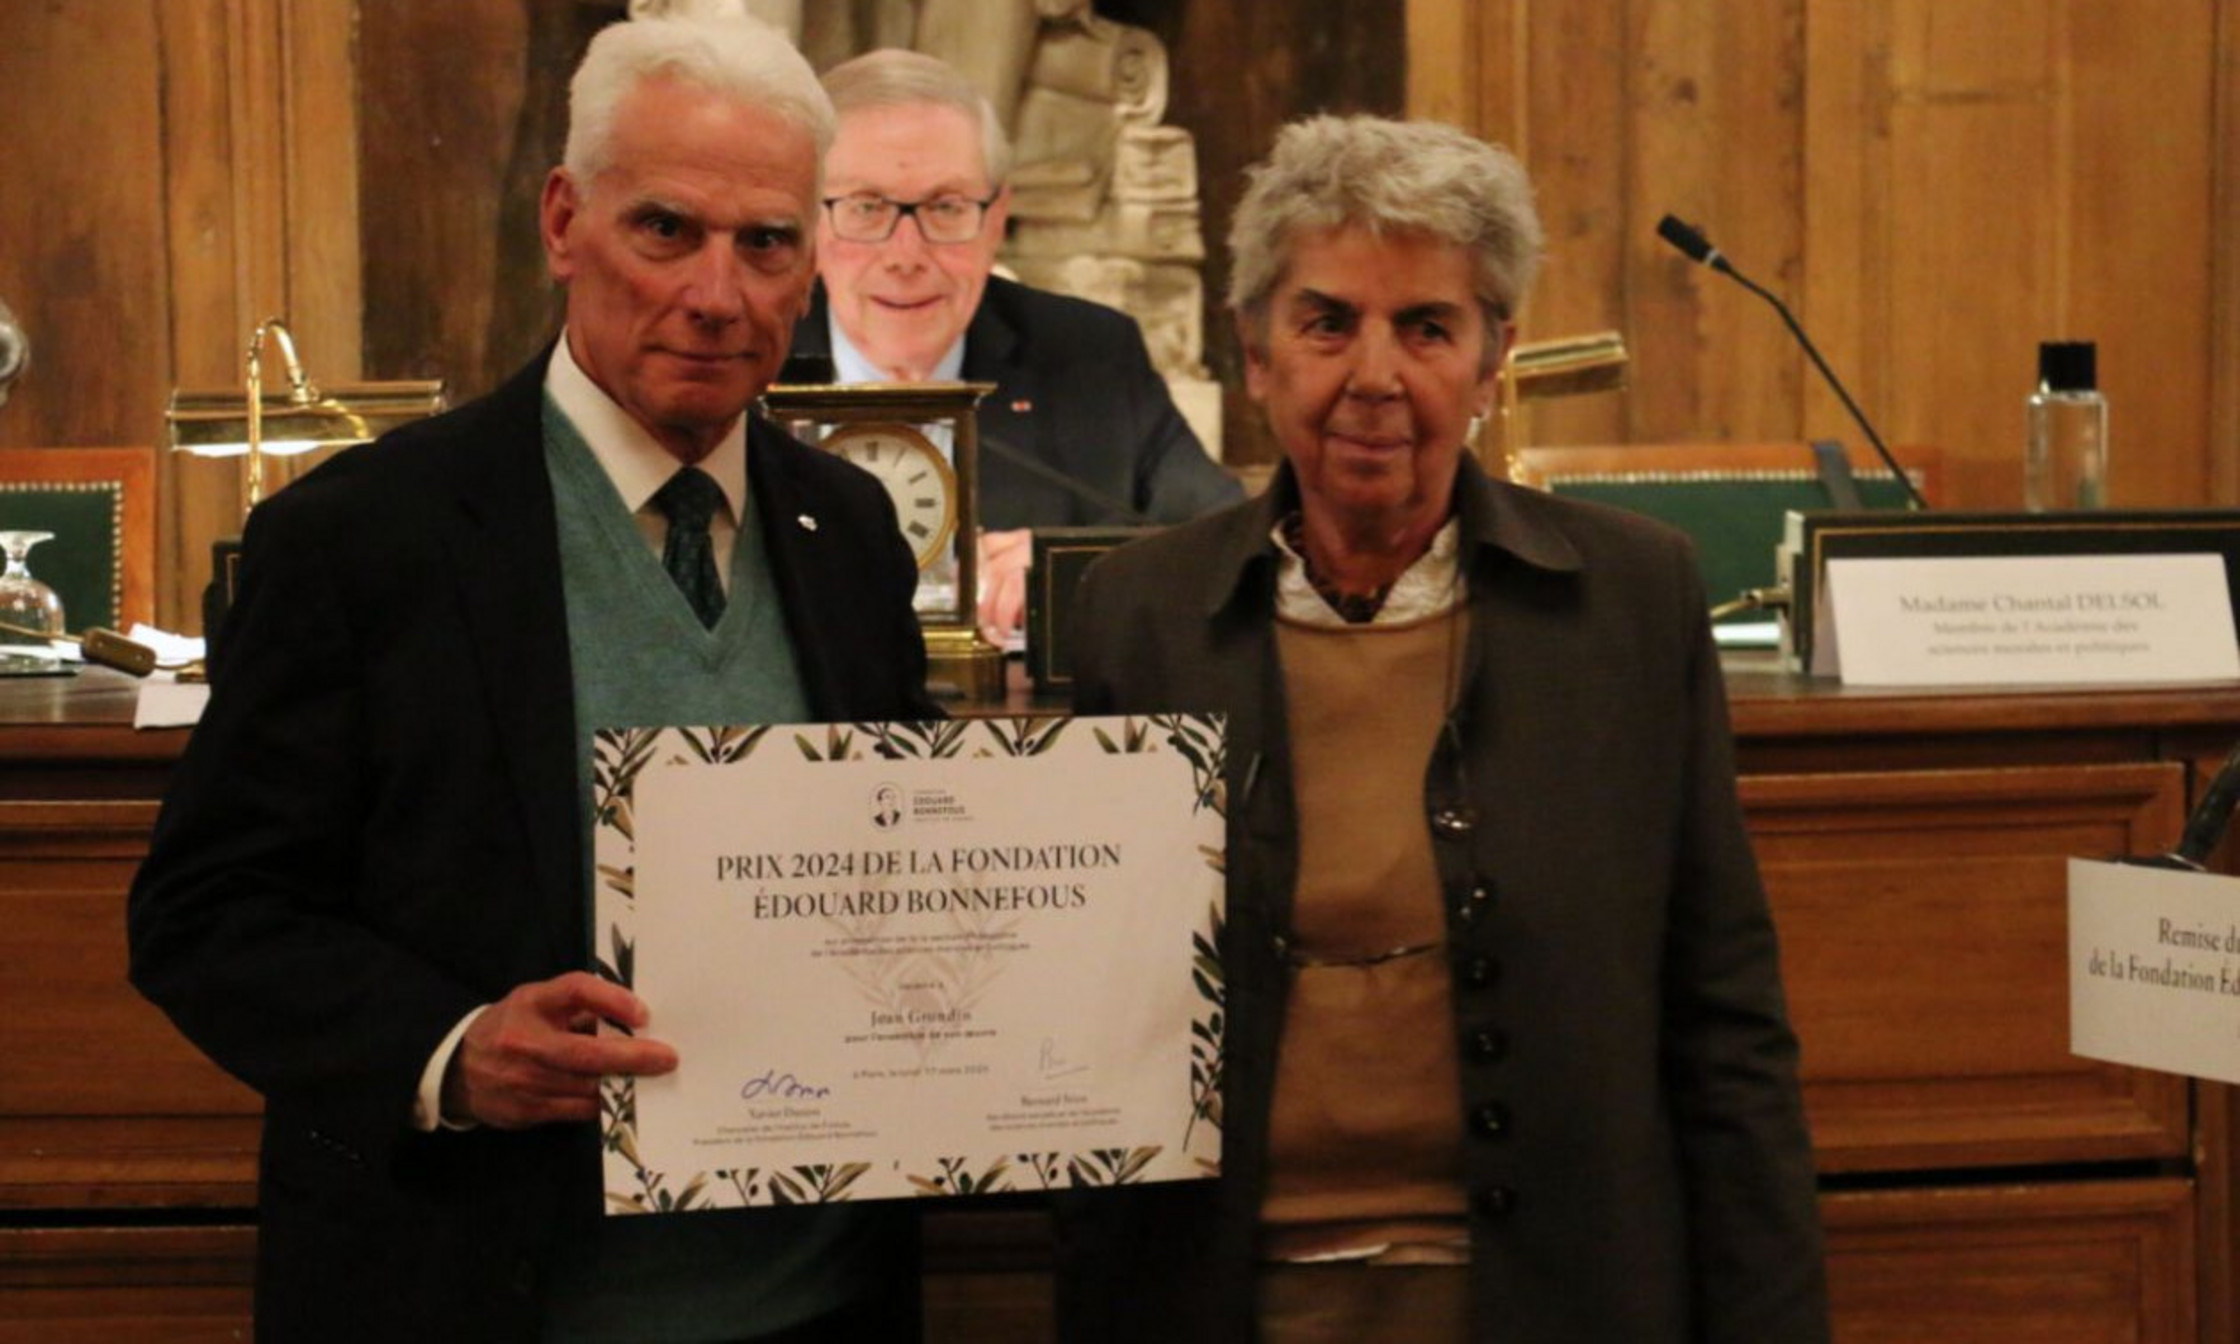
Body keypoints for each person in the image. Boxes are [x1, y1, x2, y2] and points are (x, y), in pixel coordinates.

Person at [127, 15, 937, 1342]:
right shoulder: (361, 537)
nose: (718, 293)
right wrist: (451, 1051)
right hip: (480, 1295)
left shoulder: (847, 530)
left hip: (820, 1304)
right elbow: (207, 915)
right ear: (565, 220)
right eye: (665, 229)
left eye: (768, 243)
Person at [1059, 115, 1829, 1343]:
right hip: (1226, 1296)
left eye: (1426, 327)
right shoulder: (1135, 614)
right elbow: (1085, 1012)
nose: (1375, 375)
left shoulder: (1630, 600)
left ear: (1490, 362)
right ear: (1253, 351)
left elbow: (1722, 1018)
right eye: (1327, 322)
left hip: (1556, 1299)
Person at [789, 47, 1242, 641]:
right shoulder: (740, 365)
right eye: (866, 207)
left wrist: (1077, 573)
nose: (905, 256)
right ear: (807, 216)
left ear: (997, 217)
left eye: (946, 207)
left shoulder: (1090, 357)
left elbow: (1231, 545)